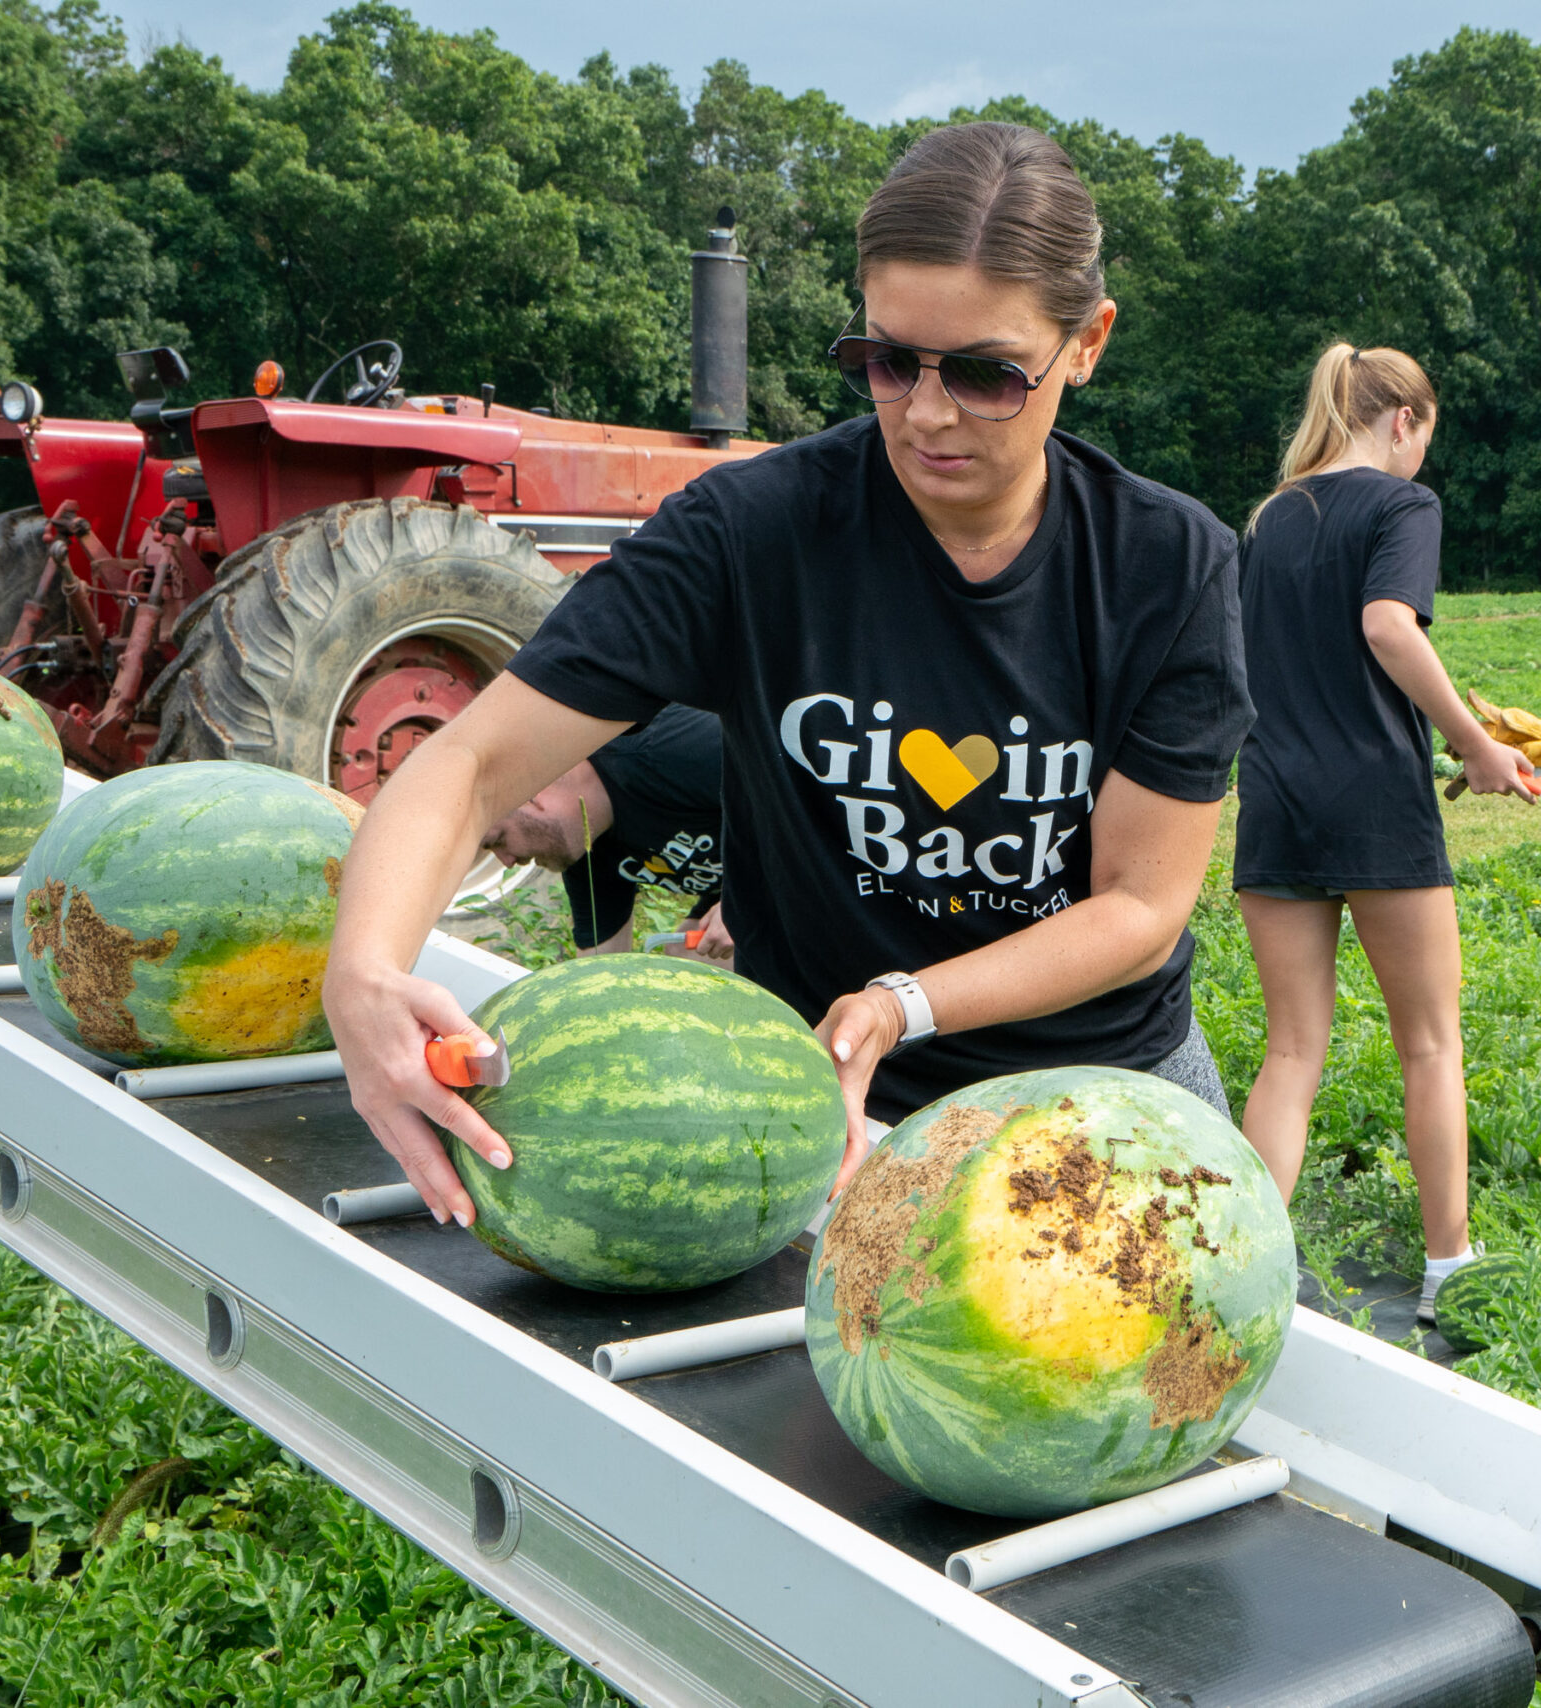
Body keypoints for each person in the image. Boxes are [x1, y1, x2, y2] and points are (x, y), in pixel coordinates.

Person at [322, 121, 1253, 1228]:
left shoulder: (1168, 565)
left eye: (988, 374)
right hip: (820, 1098)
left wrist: (909, 1002)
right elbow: (472, 763)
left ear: (1087, 342)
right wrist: (364, 972)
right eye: (888, 361)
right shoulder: (752, 532)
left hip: (1101, 1092)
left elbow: (1140, 906)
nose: (927, 411)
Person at [1230, 343, 1536, 1324]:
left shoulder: (1272, 516)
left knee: (1290, 1051)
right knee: (1431, 1045)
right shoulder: (1403, 506)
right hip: (1374, 798)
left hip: (1274, 791)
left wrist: (1455, 718)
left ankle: (1244, 1268)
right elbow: (1387, 629)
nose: (1420, 457)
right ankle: (1450, 1264)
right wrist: (1477, 745)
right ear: (1402, 420)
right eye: (1423, 437)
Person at [479, 704, 732, 961]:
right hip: (742, 881)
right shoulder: (585, 847)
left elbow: (775, 773)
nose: (507, 862)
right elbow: (600, 962)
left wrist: (751, 904)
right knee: (692, 956)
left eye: (499, 841)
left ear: (531, 794)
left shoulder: (675, 748)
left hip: (773, 860)